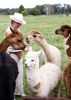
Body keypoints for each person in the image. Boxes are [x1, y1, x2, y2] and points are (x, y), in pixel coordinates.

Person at [5, 12, 26, 97]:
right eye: (17, 23)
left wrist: (23, 45)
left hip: (19, 54)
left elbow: (20, 43)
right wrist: (24, 47)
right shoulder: (8, 32)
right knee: (11, 75)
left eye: (20, 23)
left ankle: (19, 92)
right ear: (12, 21)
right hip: (11, 55)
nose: (19, 25)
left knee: (20, 73)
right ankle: (11, 94)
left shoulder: (18, 31)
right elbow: (14, 46)